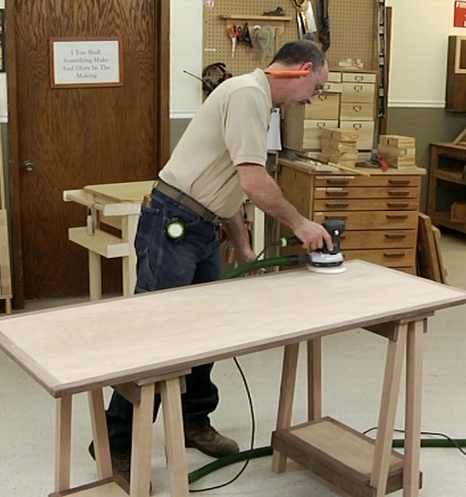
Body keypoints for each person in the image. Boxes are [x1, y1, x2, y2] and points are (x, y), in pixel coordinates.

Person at [91, 39, 334, 483]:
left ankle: (191, 421)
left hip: (201, 228)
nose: (312, 98)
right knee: (156, 338)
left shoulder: (258, 102)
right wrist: (300, 224)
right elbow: (253, 179)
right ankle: (117, 443)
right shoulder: (248, 95)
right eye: (315, 87)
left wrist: (241, 245)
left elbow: (228, 186)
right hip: (173, 223)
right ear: (302, 69)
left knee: (205, 333)